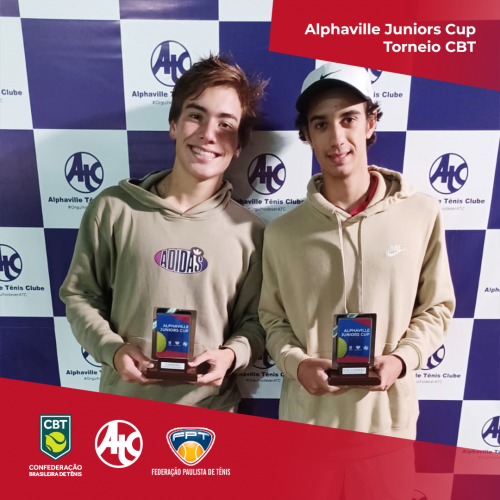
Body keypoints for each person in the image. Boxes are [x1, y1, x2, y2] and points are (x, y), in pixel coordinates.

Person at [259, 62, 455, 438]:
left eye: (348, 119)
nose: (336, 138)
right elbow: (272, 320)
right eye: (321, 124)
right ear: (307, 135)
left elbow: (437, 308)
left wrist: (401, 360)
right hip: (306, 429)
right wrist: (296, 363)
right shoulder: (282, 233)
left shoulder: (421, 213)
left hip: (388, 432)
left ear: (370, 122)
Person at [60, 56, 267, 411]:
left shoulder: (251, 233)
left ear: (238, 146)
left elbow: (258, 322)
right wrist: (112, 350)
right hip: (124, 415)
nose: (208, 134)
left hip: (212, 416)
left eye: (225, 124)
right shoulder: (113, 209)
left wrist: (232, 355)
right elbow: (80, 296)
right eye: (196, 116)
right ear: (173, 124)